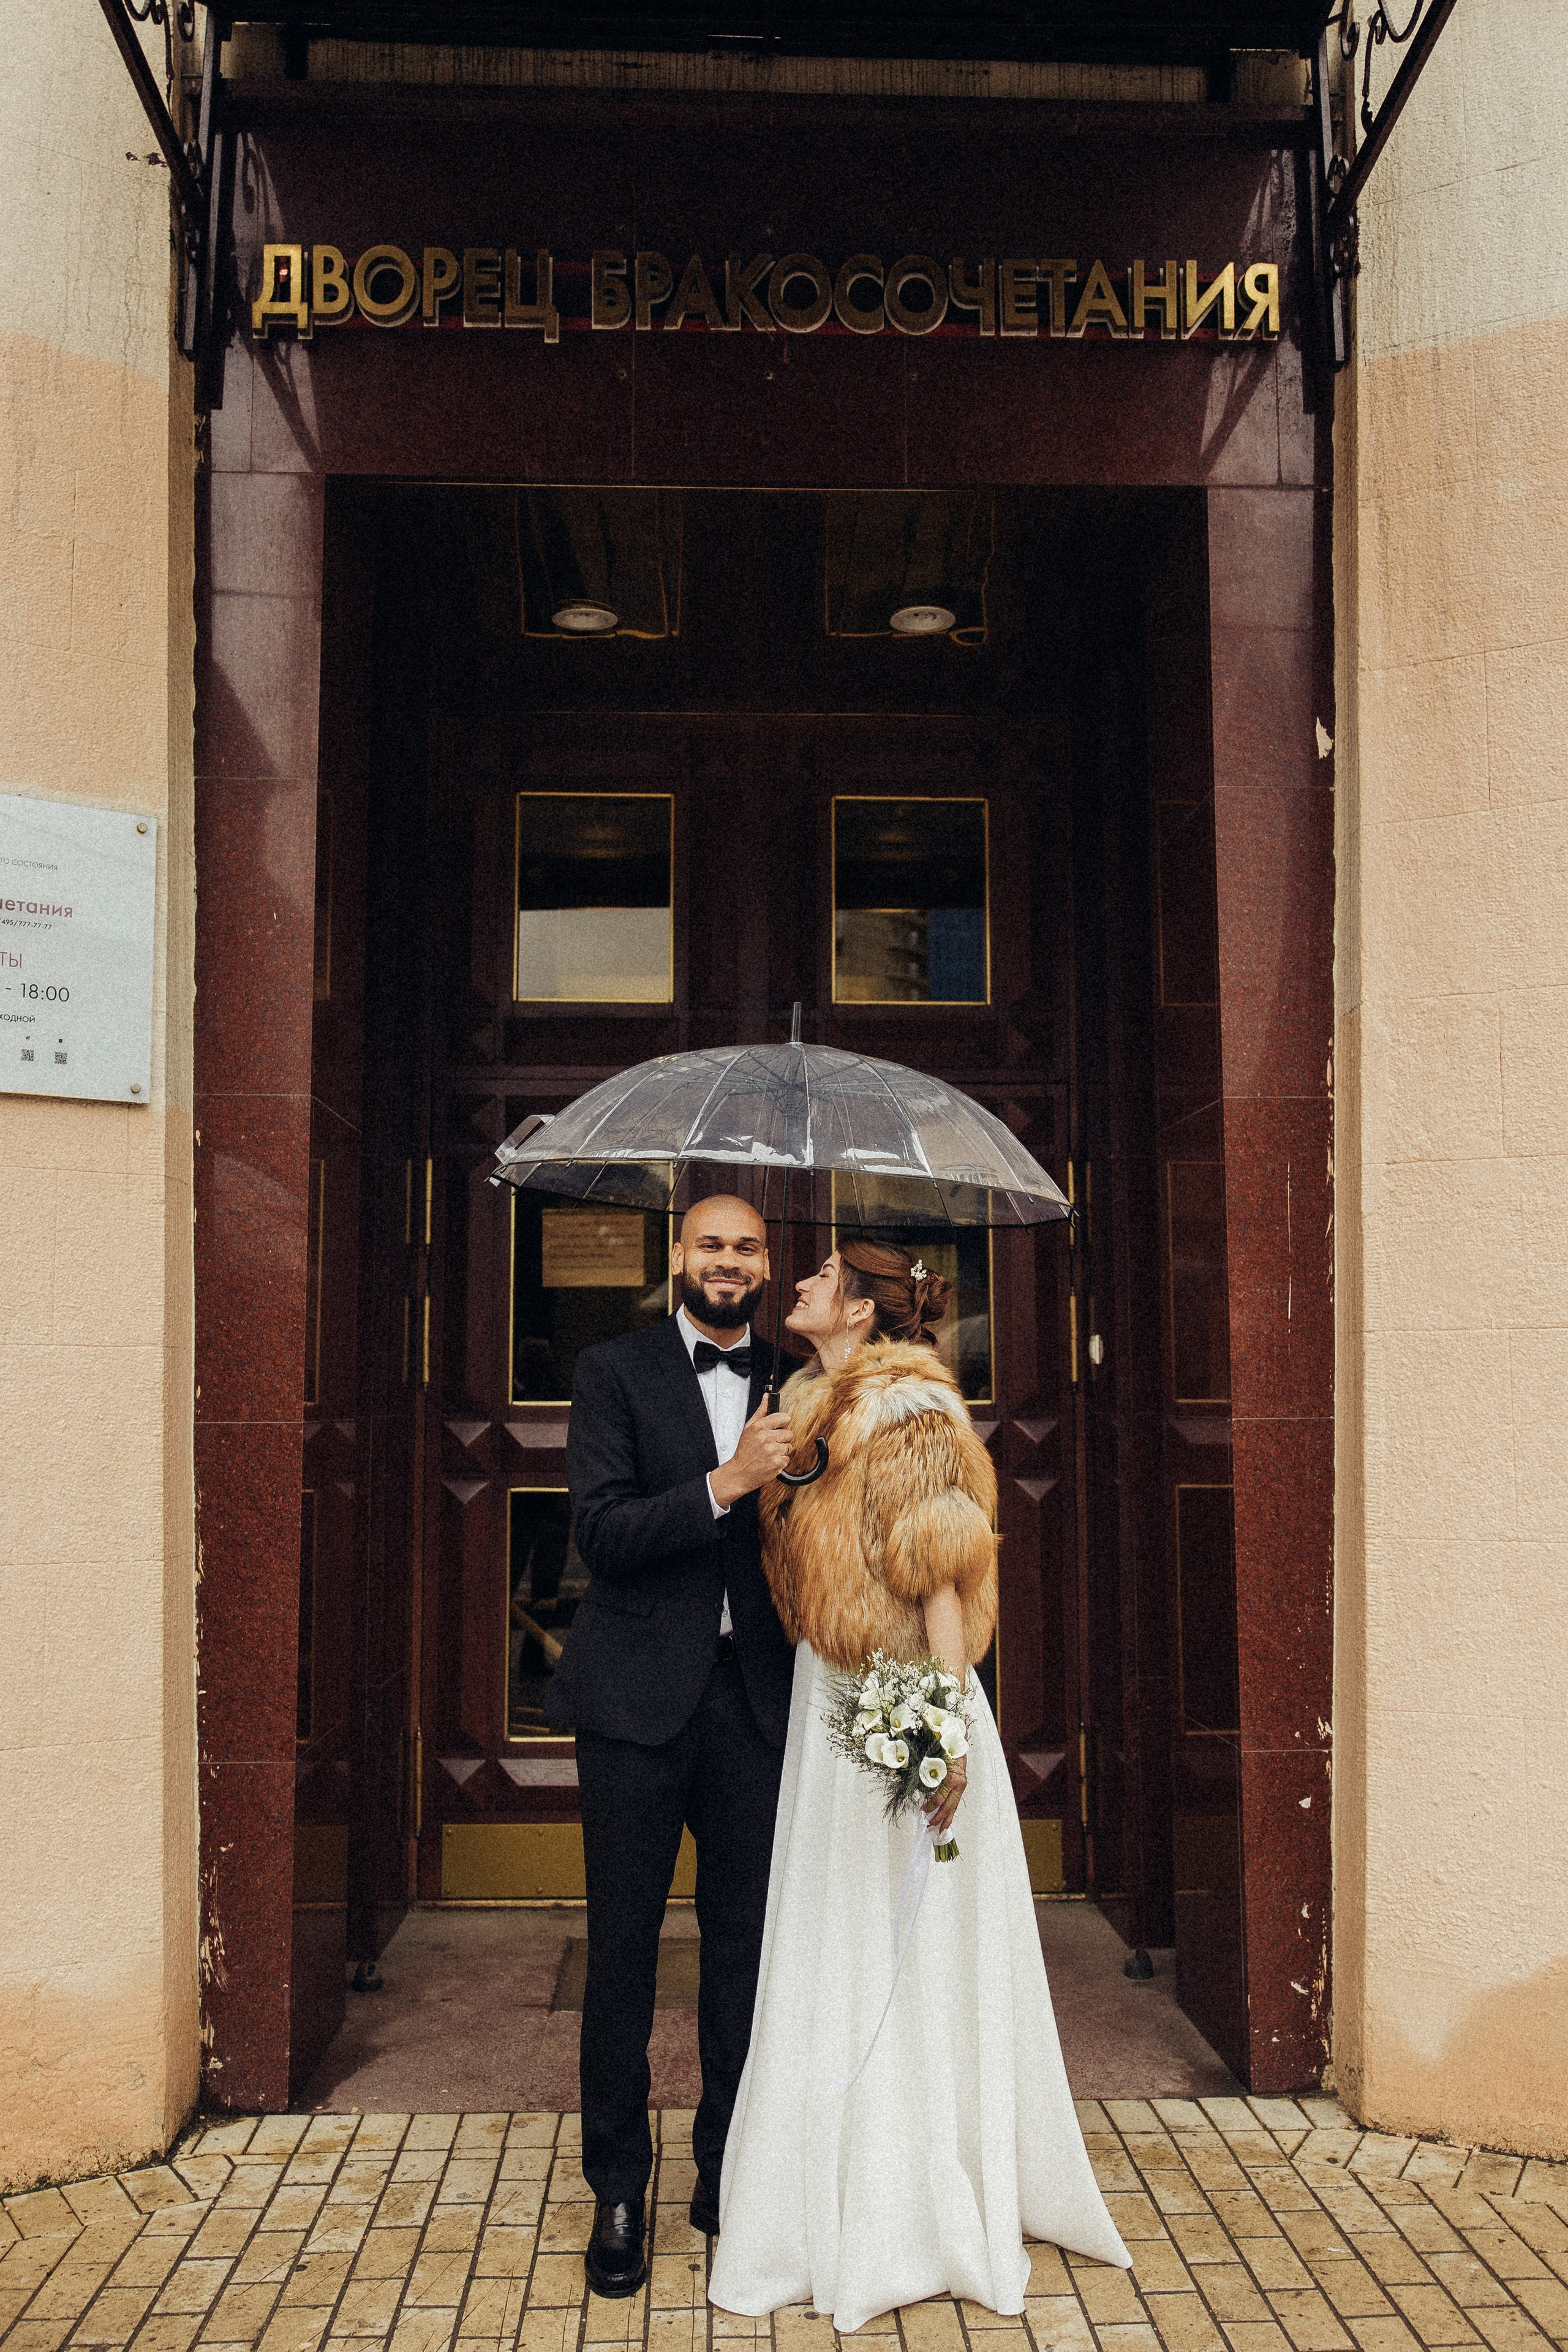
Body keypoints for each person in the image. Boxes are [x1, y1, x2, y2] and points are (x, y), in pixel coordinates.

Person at [709, 1238, 1131, 2332]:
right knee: (833, 1928)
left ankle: (909, 2192)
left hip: (896, 1699)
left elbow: (945, 1569)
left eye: (820, 1278)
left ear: (859, 1310)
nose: (794, 1285)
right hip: (827, 1689)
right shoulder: (811, 1402)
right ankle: (828, 2181)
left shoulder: (904, 1408)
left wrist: (942, 1721)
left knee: (895, 1932)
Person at [550, 1194, 797, 2298]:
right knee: (625, 1953)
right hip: (634, 1706)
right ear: (679, 1258)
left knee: (747, 1951)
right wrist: (725, 1483)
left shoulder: (802, 1380)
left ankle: (725, 2168)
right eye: (712, 1244)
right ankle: (618, 2184)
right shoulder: (614, 1373)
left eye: (747, 1247)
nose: (730, 1262)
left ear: (767, 1265)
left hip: (757, 1707)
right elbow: (600, 1532)